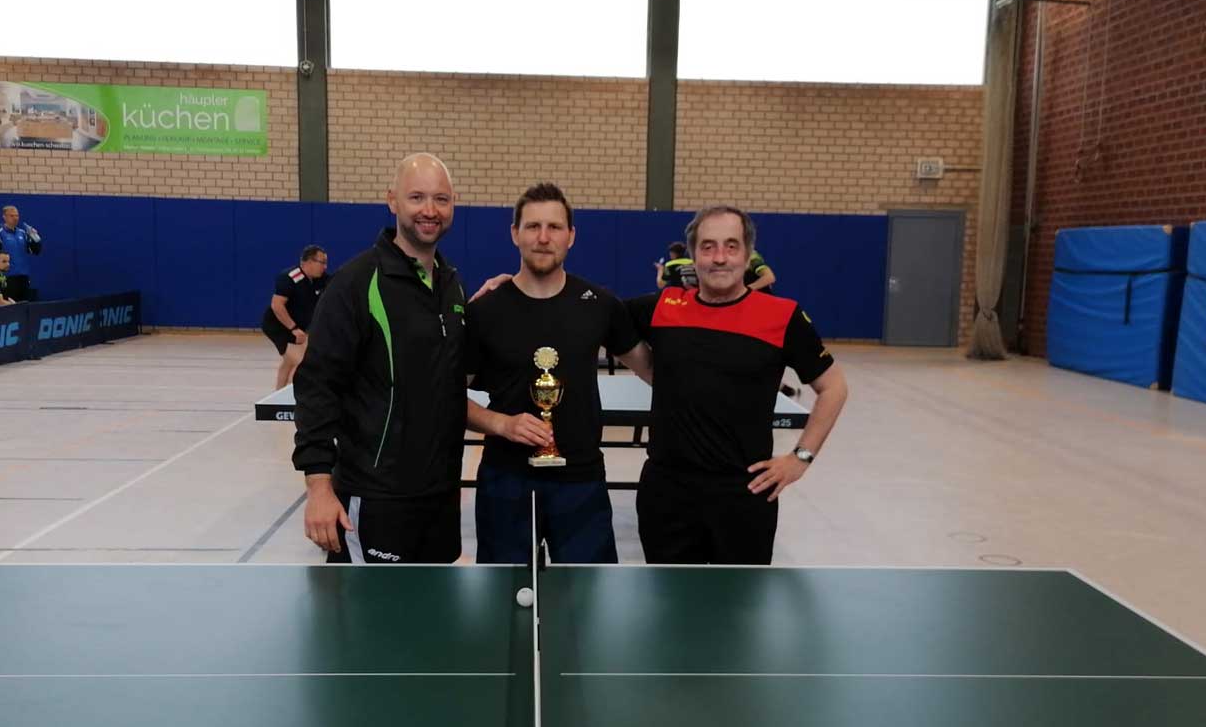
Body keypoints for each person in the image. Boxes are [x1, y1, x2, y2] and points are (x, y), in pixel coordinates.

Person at [628, 206, 848, 565]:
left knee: (741, 600)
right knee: (669, 598)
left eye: (731, 246)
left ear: (748, 255)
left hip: (745, 495)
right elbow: (598, 320)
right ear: (693, 255)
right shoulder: (661, 307)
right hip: (667, 493)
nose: (719, 258)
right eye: (708, 247)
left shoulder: (783, 316)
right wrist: (652, 371)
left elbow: (834, 387)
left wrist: (800, 459)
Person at [293, 153, 468, 564]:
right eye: (417, 197)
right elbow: (317, 387)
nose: (430, 210)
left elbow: (443, 381)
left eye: (441, 199)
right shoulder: (355, 284)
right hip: (375, 499)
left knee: (434, 603)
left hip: (440, 496)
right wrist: (319, 487)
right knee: (371, 608)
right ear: (392, 201)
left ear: (453, 205)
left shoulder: (450, 284)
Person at [465, 183, 652, 564]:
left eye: (554, 227)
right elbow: (447, 397)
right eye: (533, 226)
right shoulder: (484, 311)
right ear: (515, 233)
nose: (543, 237)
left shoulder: (599, 305)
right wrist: (501, 423)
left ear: (571, 236)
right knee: (506, 594)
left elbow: (654, 372)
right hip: (505, 481)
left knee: (588, 594)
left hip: (581, 481)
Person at [261, 245, 330, 390]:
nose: (325, 267)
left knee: (289, 363)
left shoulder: (321, 279)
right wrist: (293, 328)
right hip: (279, 326)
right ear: (309, 262)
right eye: (322, 262)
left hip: (298, 328)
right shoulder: (290, 278)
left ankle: (277, 397)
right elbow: (277, 305)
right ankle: (293, 399)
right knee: (303, 365)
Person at [0, 205, 42, 301]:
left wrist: (35, 239)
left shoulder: (23, 233)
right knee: (11, 306)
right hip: (8, 277)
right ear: (4, 217)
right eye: (12, 216)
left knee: (24, 305)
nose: (15, 218)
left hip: (23, 277)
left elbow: (36, 251)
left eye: (17, 215)